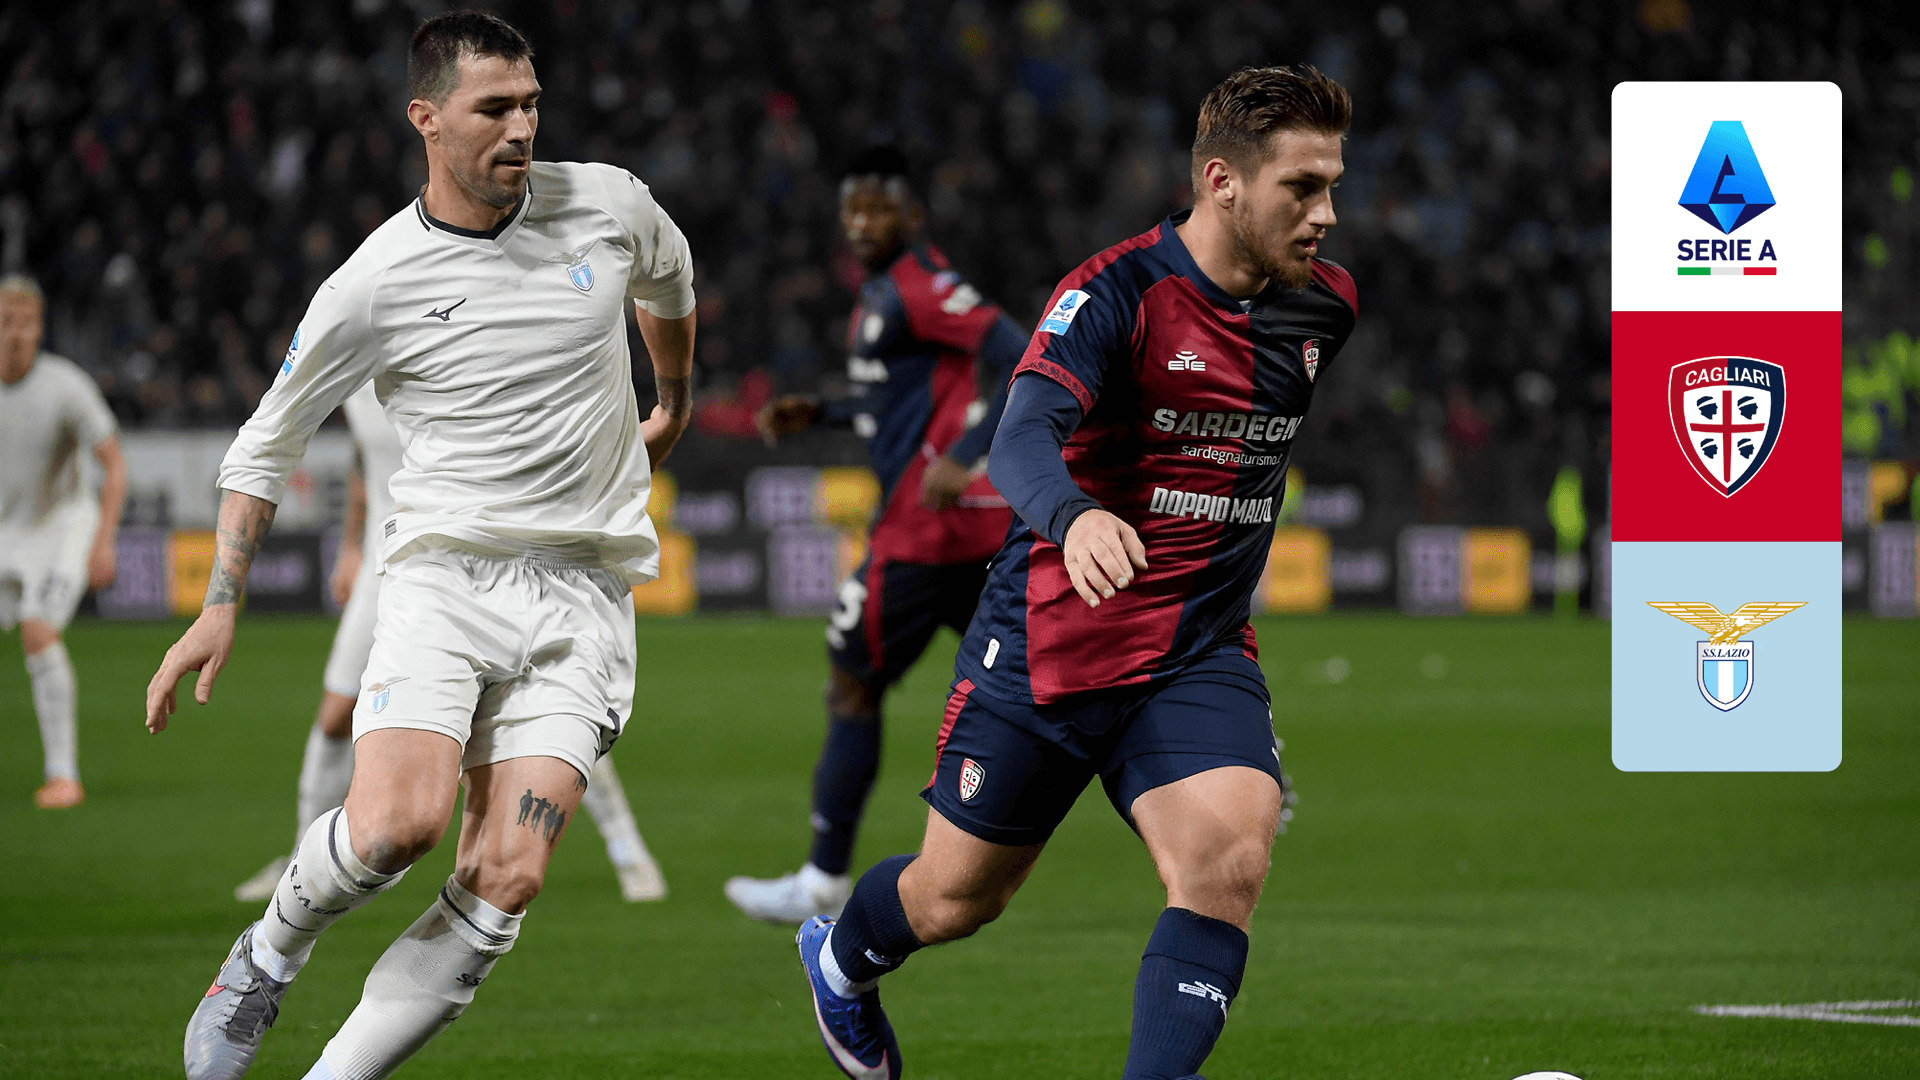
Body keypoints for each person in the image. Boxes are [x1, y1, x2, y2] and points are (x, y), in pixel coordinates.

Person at [144, 12, 696, 1080]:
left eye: (531, 104)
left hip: (584, 595)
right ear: (427, 118)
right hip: (445, 579)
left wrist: (672, 398)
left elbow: (670, 282)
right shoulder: (375, 281)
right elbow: (265, 446)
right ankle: (267, 954)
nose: (521, 128)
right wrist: (219, 604)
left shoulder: (609, 203)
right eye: (495, 108)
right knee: (396, 827)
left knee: (508, 875)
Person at [796, 65, 1357, 1080]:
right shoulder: (1113, 294)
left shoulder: (1325, 309)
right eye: (1302, 188)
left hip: (1195, 651)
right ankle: (841, 963)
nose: (1326, 214)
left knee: (1226, 864)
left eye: (1332, 187)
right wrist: (1076, 514)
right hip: (1050, 648)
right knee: (956, 898)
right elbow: (1019, 439)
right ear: (1222, 181)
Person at [726, 146, 1028, 924]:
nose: (862, 222)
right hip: (964, 531)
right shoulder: (883, 292)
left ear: (912, 215)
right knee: (1050, 682)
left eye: (878, 208)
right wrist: (821, 411)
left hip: (923, 534)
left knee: (852, 686)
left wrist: (967, 453)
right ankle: (1202, 773)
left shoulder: (923, 288)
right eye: (852, 209)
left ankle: (822, 882)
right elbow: (896, 403)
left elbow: (1024, 355)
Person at [231, 383, 667, 905]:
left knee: (543, 719)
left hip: (460, 560)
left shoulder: (440, 355)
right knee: (334, 716)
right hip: (385, 561)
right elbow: (363, 457)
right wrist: (350, 545)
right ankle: (301, 864)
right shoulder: (356, 358)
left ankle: (628, 849)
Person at [0, 273, 126, 810]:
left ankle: (63, 776)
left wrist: (104, 541)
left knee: (37, 629)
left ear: (40, 328)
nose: (16, 333)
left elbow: (113, 463)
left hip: (62, 527)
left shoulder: (65, 386)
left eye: (26, 323)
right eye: (7, 321)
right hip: (7, 531)